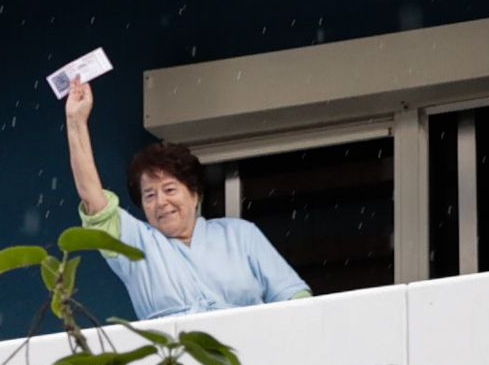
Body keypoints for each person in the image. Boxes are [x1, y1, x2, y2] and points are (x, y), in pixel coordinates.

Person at [63, 76, 310, 319]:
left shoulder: (241, 234)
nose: (161, 201)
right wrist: (76, 121)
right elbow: (93, 200)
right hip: (175, 356)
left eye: (170, 190)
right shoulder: (136, 245)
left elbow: (295, 297)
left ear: (195, 195)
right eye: (149, 195)